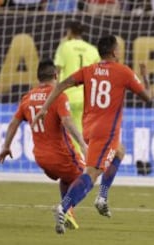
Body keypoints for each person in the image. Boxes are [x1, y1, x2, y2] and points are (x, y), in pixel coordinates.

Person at [32, 35, 151, 234]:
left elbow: (61, 85)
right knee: (91, 173)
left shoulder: (90, 70)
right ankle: (65, 206)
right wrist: (145, 76)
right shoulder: (124, 72)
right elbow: (148, 97)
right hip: (107, 131)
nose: (120, 52)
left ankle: (102, 197)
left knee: (120, 151)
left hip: (89, 128)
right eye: (119, 49)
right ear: (114, 52)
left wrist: (45, 107)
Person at [0, 59, 88, 229]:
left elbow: (13, 124)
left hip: (40, 157)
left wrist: (6, 146)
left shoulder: (28, 97)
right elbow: (67, 120)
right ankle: (65, 209)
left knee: (67, 177)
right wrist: (82, 143)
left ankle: (69, 215)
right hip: (61, 154)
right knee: (88, 175)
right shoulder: (58, 94)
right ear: (56, 75)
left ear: (38, 77)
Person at [54, 20, 100, 154]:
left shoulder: (65, 46)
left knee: (69, 133)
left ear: (69, 32)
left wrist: (54, 93)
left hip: (68, 96)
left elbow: (56, 71)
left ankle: (79, 164)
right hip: (86, 98)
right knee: (82, 132)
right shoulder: (93, 50)